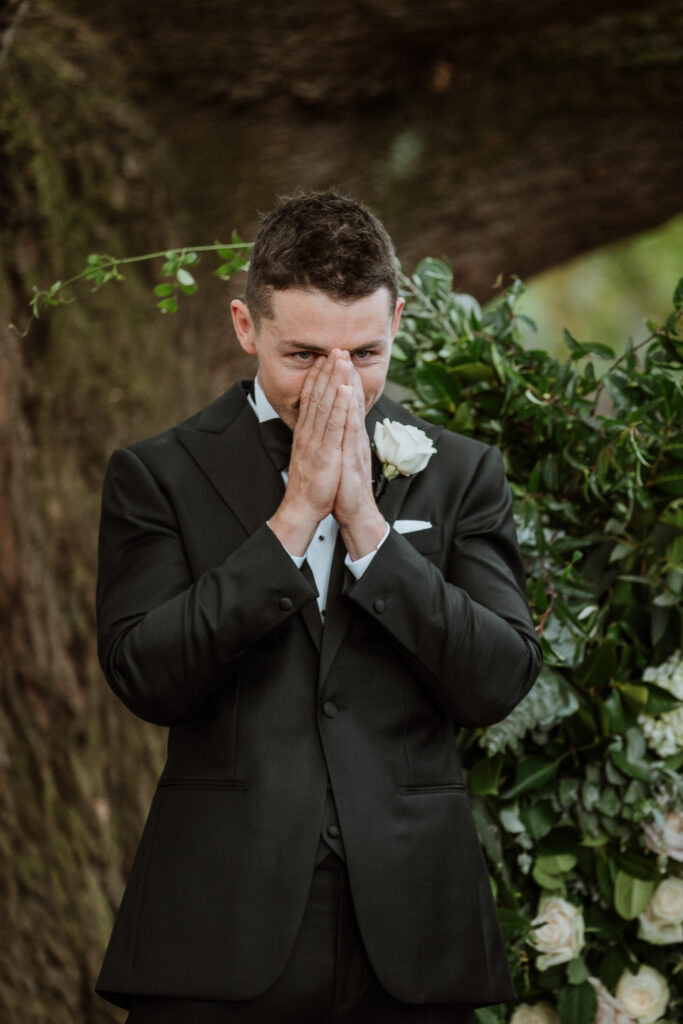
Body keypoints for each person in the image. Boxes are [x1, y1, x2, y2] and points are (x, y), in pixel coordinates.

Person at [95, 190, 542, 1024]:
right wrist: (294, 516)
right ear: (244, 326)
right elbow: (145, 676)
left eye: (364, 354)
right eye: (303, 355)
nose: (337, 384)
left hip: (414, 927)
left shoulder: (463, 473)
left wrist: (369, 530)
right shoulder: (157, 474)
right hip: (218, 925)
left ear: (398, 322)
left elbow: (497, 681)